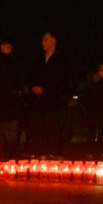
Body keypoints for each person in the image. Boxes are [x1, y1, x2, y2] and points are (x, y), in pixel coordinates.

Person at [30, 29, 73, 158]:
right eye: (42, 40)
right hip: (38, 101)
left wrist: (46, 89)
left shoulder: (61, 59)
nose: (43, 43)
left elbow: (61, 81)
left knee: (52, 128)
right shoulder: (39, 59)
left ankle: (52, 153)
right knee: (37, 127)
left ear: (54, 40)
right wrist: (33, 87)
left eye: (46, 39)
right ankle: (38, 152)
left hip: (53, 101)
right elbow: (32, 76)